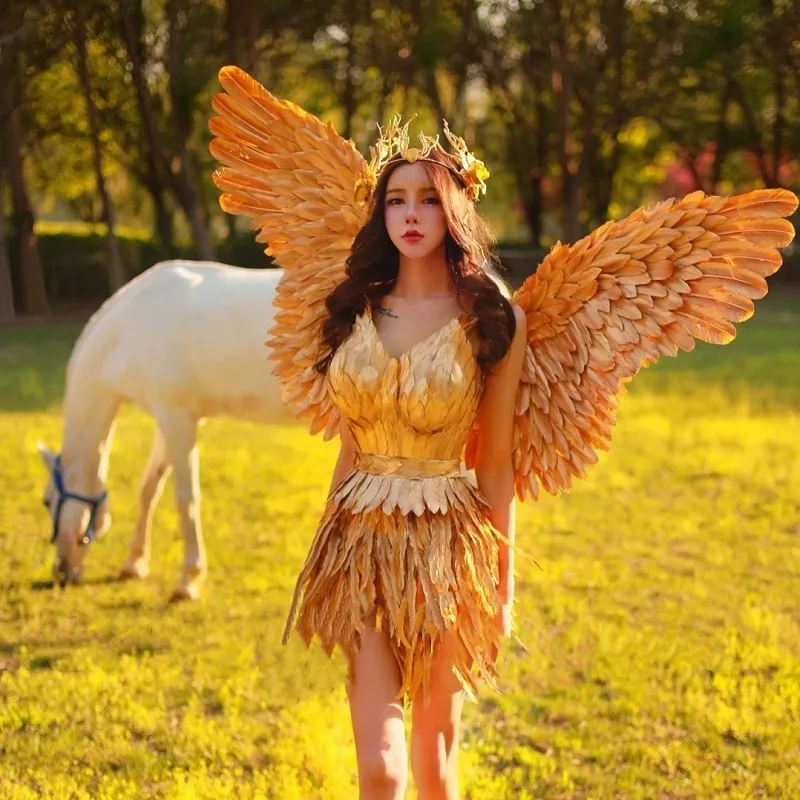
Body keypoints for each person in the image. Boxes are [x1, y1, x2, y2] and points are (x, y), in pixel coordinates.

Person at [208, 66, 798, 799]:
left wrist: (503, 582)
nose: (411, 214)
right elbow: (351, 443)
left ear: (456, 206)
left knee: (434, 766)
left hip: (450, 554)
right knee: (378, 770)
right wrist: (324, 546)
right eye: (396, 199)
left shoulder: (493, 319)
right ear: (379, 214)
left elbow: (496, 465)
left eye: (429, 198)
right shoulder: (354, 307)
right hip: (357, 549)